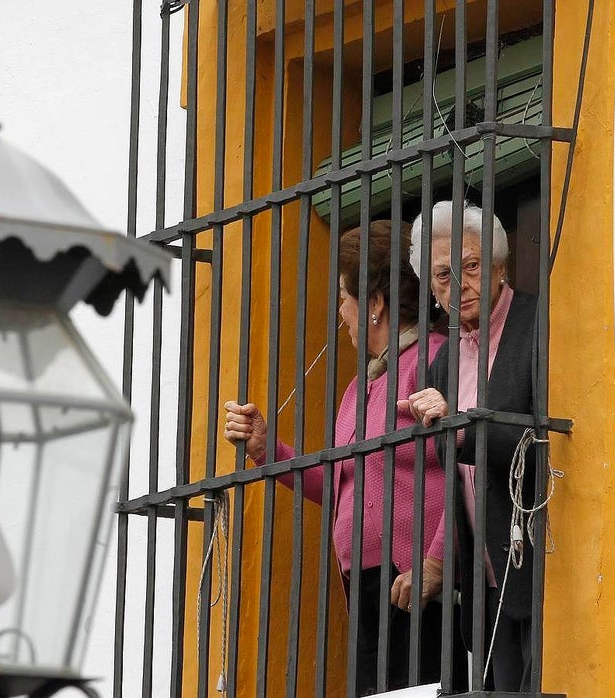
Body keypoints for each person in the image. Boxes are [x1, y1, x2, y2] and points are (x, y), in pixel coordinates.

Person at [223, 220, 465, 695]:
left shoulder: (437, 360)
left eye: (343, 296)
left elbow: (469, 469)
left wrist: (435, 561)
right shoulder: (360, 387)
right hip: (366, 585)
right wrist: (266, 449)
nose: (341, 312)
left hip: (419, 582)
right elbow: (341, 485)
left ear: (374, 303)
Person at [399, 201, 540, 691]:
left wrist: (459, 427)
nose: (458, 283)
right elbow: (452, 475)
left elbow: (541, 437)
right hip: (484, 578)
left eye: (472, 266)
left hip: (540, 560)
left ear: (499, 266)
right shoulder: (444, 360)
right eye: (442, 274)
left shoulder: (536, 325)